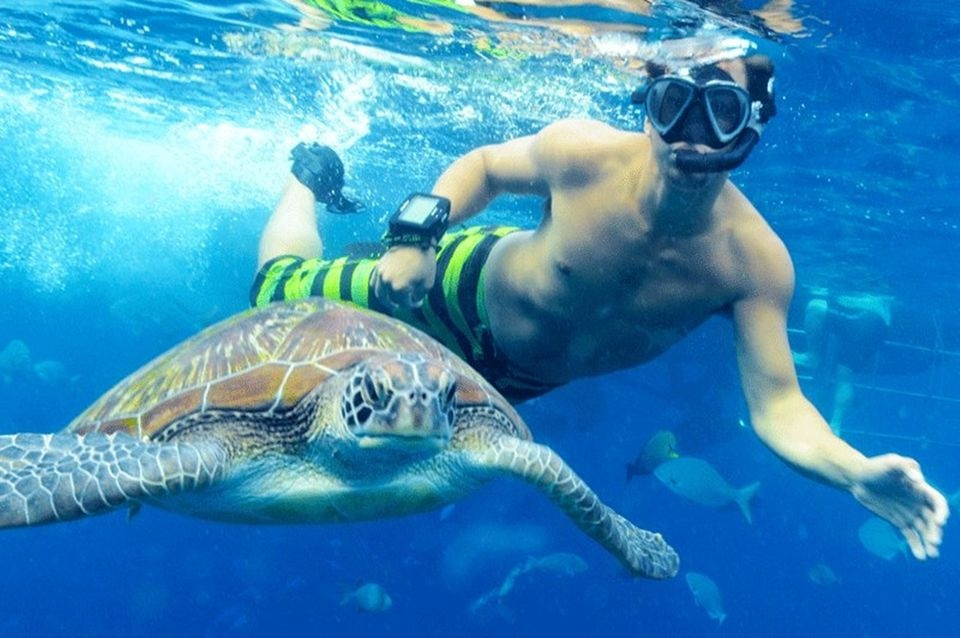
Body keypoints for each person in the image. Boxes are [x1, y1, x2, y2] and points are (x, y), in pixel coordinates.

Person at [252, 53, 948, 559]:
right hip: (453, 291)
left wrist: (851, 469)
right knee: (278, 292)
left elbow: (778, 407)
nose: (691, 134)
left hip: (507, 383)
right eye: (672, 103)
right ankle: (309, 179)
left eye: (722, 111)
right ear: (648, 110)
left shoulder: (753, 262)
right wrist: (415, 238)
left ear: (751, 131)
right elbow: (488, 167)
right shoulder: (585, 153)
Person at [793, 291, 892, 435]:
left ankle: (812, 356)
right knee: (845, 375)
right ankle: (836, 424)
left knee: (815, 307)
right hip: (878, 323)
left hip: (864, 318)